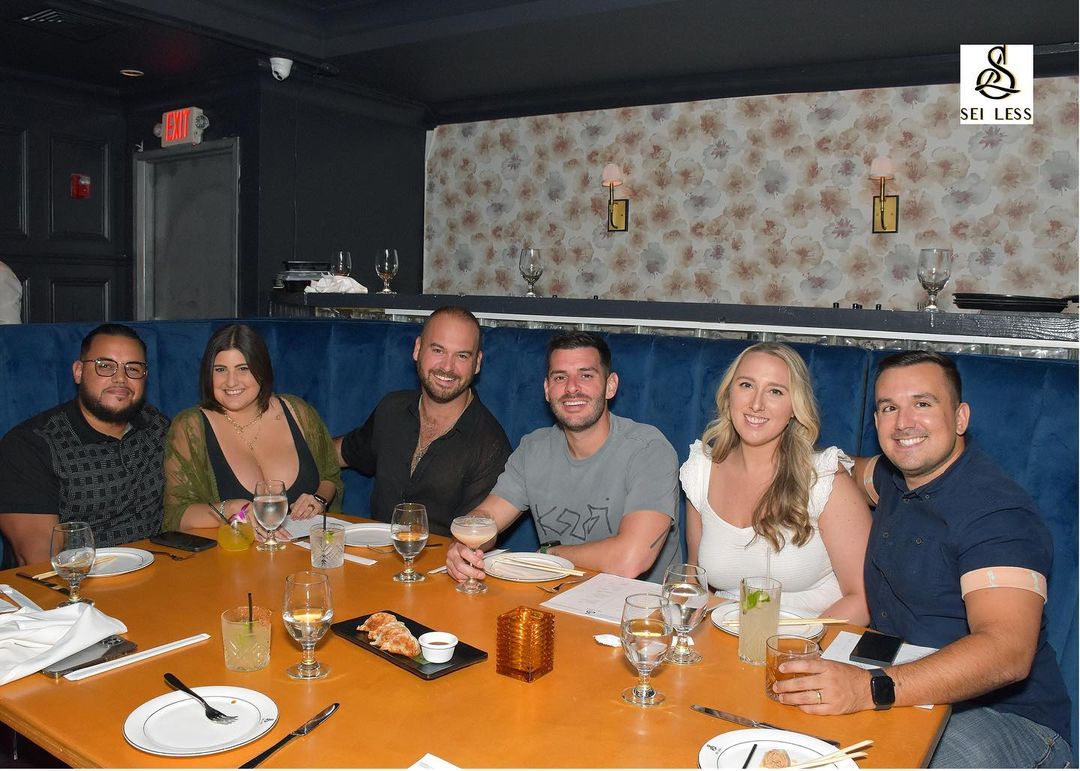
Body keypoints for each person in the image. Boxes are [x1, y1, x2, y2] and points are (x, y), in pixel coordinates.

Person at [774, 350, 1071, 768]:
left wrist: (867, 688)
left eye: (923, 403)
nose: (904, 422)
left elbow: (1007, 651)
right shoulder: (895, 479)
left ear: (961, 418)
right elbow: (844, 468)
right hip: (901, 682)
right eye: (889, 408)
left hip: (1005, 717)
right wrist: (779, 457)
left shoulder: (999, 515)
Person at [446, 331, 680, 583]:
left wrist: (549, 554)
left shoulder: (649, 451)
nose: (571, 388)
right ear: (547, 390)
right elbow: (489, 517)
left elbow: (629, 560)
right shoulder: (533, 449)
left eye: (586, 375)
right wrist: (463, 543)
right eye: (560, 377)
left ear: (610, 385)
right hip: (556, 595)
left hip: (641, 604)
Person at [680, 343, 870, 622]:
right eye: (746, 385)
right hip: (726, 636)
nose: (756, 404)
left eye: (775, 391)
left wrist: (798, 644)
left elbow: (863, 599)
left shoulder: (824, 478)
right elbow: (696, 580)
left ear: (795, 407)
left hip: (813, 638)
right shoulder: (701, 471)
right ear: (729, 394)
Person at [0, 324, 168, 565]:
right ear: (78, 372)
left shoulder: (157, 427)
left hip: (161, 572)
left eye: (133, 368)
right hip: (77, 581)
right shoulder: (31, 445)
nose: (120, 378)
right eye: (105, 366)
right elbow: (38, 557)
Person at [335, 306, 511, 536]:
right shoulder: (391, 409)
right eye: (438, 350)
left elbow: (476, 536)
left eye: (462, 356)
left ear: (477, 363)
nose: (447, 367)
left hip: (440, 558)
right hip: (373, 551)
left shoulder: (490, 445)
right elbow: (338, 453)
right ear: (417, 349)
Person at [163, 324, 342, 531]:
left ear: (262, 370)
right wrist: (229, 509)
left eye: (243, 368)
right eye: (220, 370)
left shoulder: (298, 411)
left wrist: (318, 500)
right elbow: (177, 514)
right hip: (233, 551)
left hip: (306, 548)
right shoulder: (190, 427)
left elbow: (330, 477)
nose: (231, 382)